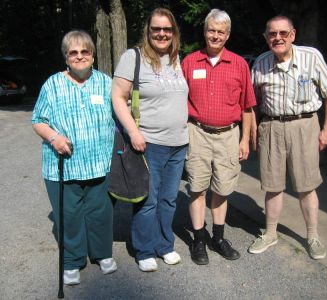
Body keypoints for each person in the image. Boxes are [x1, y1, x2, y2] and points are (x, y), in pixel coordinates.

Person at [32, 30, 117, 285]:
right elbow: (38, 120)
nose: (80, 56)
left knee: (100, 211)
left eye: (85, 51)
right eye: (73, 52)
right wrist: (54, 138)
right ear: (66, 57)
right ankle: (72, 261)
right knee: (68, 214)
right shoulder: (53, 84)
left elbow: (121, 114)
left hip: (99, 163)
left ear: (92, 55)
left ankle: (102, 254)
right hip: (63, 165)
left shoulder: (105, 82)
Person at [249, 15, 327, 259]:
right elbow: (253, 102)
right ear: (266, 37)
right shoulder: (260, 62)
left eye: (283, 33)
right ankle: (270, 233)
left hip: (304, 125)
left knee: (306, 186)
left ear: (293, 34)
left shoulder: (311, 57)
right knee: (272, 186)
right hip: (271, 127)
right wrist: (254, 130)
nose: (277, 38)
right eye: (272, 34)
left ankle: (312, 236)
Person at [112, 8, 188, 272]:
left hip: (179, 144)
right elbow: (118, 97)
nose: (162, 34)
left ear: (174, 32)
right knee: (148, 199)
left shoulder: (179, 59)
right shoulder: (133, 57)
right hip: (149, 143)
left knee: (169, 199)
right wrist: (133, 131)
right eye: (156, 29)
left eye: (167, 29)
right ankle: (144, 249)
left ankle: (164, 245)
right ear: (148, 31)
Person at [182, 8, 256, 265]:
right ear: (204, 31)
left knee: (222, 189)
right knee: (197, 188)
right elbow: (178, 100)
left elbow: (247, 106)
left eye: (220, 32)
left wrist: (245, 140)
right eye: (211, 30)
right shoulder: (189, 62)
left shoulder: (239, 64)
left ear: (228, 35)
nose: (215, 35)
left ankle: (219, 237)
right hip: (197, 132)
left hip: (228, 136)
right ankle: (199, 239)